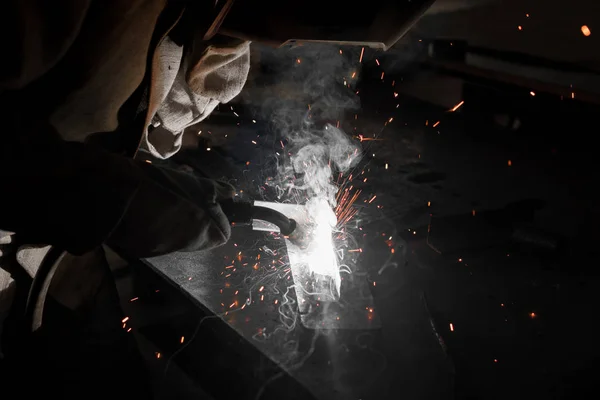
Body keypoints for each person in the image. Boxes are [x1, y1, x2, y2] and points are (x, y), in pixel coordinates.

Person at [0, 0, 437, 398]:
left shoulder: (209, 14)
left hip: (63, 257)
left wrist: (211, 40)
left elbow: (136, 120)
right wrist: (104, 192)